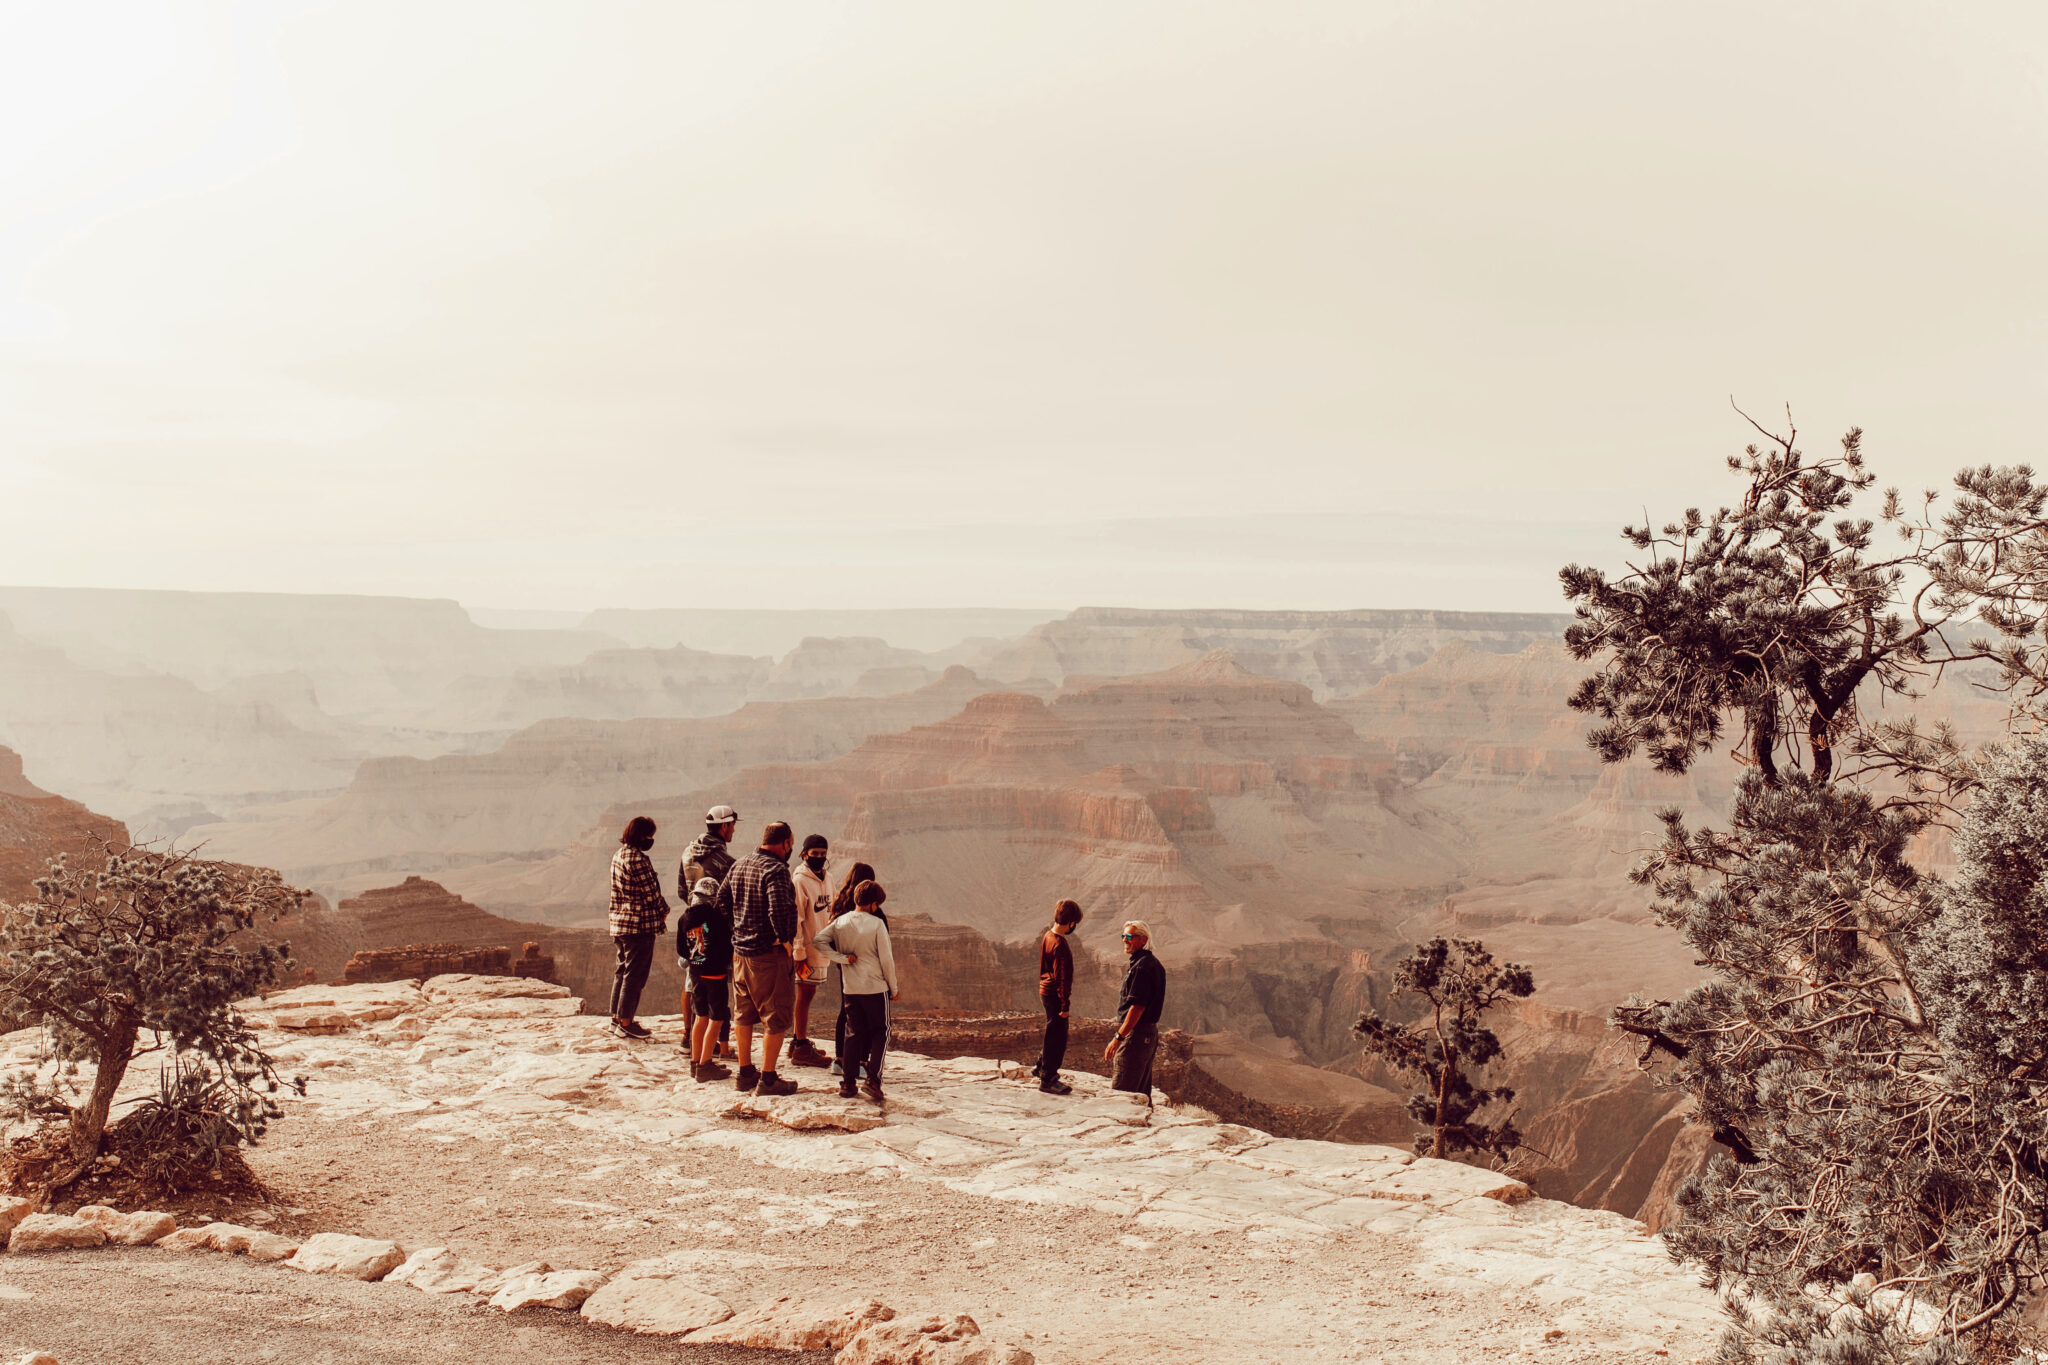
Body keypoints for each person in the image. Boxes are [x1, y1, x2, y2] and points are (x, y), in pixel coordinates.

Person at [715, 820, 801, 1096]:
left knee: (743, 1013)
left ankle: (745, 1073)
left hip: (740, 953)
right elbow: (779, 909)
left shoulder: (740, 863)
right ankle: (768, 1078)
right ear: (785, 842)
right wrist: (785, 940)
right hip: (768, 956)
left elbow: (721, 900)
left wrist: (737, 928)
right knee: (775, 1014)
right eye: (791, 844)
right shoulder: (775, 870)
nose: (791, 849)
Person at [813, 879, 898, 1104]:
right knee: (882, 1031)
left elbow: (818, 941)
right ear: (872, 904)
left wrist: (841, 959)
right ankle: (873, 1081)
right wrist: (893, 987)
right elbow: (887, 960)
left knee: (853, 1033)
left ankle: (848, 1084)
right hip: (875, 987)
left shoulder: (841, 921)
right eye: (877, 904)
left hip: (850, 988)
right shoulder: (876, 924)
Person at [678, 805, 741, 1055]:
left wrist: (695, 915)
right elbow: (733, 900)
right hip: (717, 932)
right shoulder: (726, 862)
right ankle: (717, 1046)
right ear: (724, 826)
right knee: (717, 992)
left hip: (692, 924)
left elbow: (682, 891)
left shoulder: (687, 853)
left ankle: (689, 1038)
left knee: (691, 983)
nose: (734, 830)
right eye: (733, 825)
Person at [606, 815, 670, 1041]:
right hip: (639, 925)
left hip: (620, 923)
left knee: (622, 970)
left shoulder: (618, 855)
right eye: (649, 835)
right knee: (635, 974)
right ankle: (626, 1022)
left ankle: (616, 1018)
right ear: (641, 835)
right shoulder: (637, 859)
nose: (651, 839)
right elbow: (650, 893)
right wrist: (664, 908)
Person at [825, 860, 877, 1080]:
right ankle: (861, 1063)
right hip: (864, 966)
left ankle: (840, 1060)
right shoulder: (867, 906)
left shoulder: (840, 903)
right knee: (864, 1014)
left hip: (845, 965)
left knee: (846, 1011)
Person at [1104, 919, 1166, 1100]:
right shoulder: (1148, 962)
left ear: (1143, 939)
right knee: (1140, 1091)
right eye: (1123, 936)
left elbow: (1137, 1007)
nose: (1125, 940)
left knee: (1122, 1094)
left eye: (1129, 936)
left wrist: (1118, 1038)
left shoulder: (1142, 967)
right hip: (1147, 1035)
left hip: (1137, 1036)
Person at [679, 875, 733, 1082]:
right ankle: (706, 1064)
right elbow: (726, 946)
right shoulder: (717, 918)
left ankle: (695, 1063)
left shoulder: (684, 918)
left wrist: (695, 960)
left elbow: (681, 950)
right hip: (715, 973)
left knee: (700, 1016)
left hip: (695, 973)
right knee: (716, 1018)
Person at [786, 834, 833, 1069]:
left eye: (823, 854)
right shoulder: (800, 881)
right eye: (815, 854)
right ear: (804, 854)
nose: (819, 858)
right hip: (807, 947)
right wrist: (798, 951)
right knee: (805, 994)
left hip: (822, 946)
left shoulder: (828, 878)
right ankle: (801, 1047)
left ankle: (797, 1041)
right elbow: (797, 918)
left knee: (809, 993)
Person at [1032, 900, 1084, 1094]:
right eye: (1075, 923)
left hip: (1044, 991)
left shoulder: (1048, 935)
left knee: (1051, 1031)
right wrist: (1065, 1005)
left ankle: (1040, 1067)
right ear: (1070, 922)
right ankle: (1048, 1079)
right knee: (1057, 1037)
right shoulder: (1060, 945)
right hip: (1055, 995)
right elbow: (1062, 978)